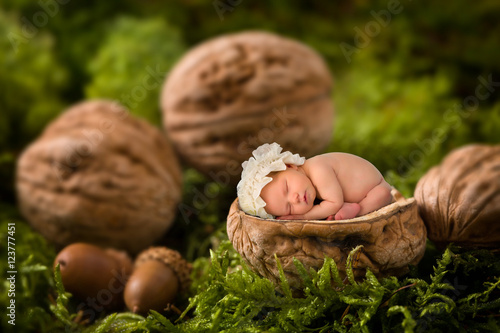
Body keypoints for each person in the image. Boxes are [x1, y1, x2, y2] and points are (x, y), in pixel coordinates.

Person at [237, 143, 393, 220]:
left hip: (376, 187)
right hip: (353, 197)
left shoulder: (317, 168)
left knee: (383, 193)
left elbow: (334, 203)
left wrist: (302, 217)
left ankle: (357, 211)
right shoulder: (308, 187)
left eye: (287, 188)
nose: (294, 199)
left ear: (290, 166)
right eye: (289, 208)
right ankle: (352, 208)